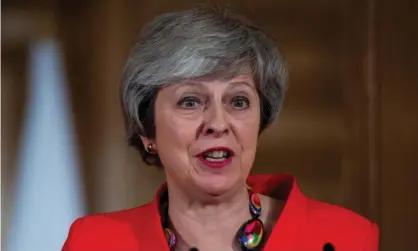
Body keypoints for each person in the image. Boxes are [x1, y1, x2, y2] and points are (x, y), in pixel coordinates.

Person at [62, 7, 379, 251]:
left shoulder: (347, 237)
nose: (217, 123)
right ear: (148, 132)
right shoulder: (95, 241)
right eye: (190, 102)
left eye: (238, 101)